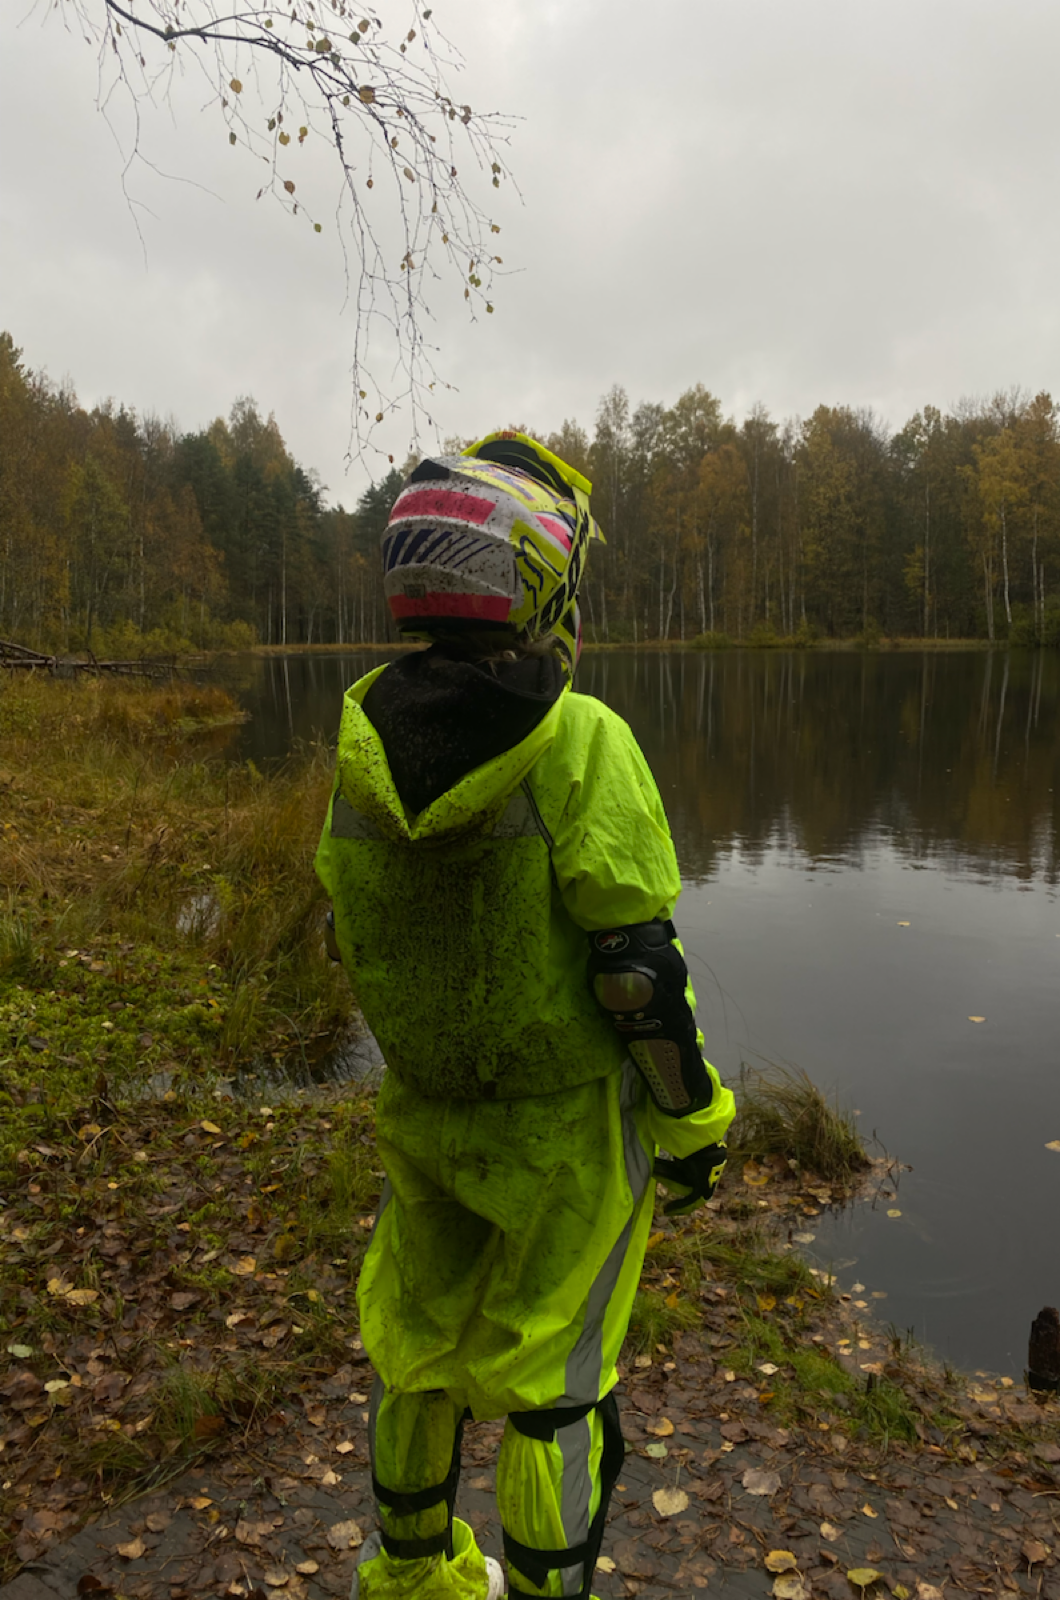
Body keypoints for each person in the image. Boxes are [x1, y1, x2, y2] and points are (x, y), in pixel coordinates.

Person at [314, 431, 735, 1600]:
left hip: (425, 1111)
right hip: (565, 1135)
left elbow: (346, 923)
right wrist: (692, 1120)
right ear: (543, 584)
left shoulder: (361, 741)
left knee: (416, 1349)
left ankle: (413, 1579)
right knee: (558, 1380)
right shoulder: (579, 738)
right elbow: (636, 971)